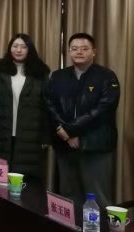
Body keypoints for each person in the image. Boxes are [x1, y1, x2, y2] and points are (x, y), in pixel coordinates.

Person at [46, 33, 120, 210]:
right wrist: (63, 132)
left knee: (98, 198)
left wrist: (71, 130)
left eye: (84, 48)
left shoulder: (106, 76)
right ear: (69, 51)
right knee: (68, 196)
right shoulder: (58, 76)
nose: (79, 52)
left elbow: (103, 110)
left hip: (95, 145)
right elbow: (49, 105)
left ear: (94, 52)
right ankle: (71, 228)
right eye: (74, 48)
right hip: (64, 144)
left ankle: (100, 228)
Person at [0, 33, 51, 178]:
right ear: (9, 48)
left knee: (26, 182)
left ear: (30, 49)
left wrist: (46, 136)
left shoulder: (40, 73)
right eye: (15, 46)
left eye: (23, 47)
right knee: (0, 180)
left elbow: (47, 107)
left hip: (31, 136)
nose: (19, 50)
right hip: (3, 134)